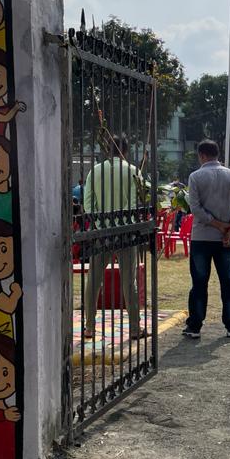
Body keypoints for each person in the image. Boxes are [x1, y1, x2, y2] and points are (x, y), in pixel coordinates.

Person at [81, 135, 143, 340]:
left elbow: (88, 203)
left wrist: (100, 223)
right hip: (126, 231)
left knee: (93, 279)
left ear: (107, 150)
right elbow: (134, 202)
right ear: (125, 151)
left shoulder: (95, 171)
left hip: (102, 231)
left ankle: (89, 326)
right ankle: (134, 327)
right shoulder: (133, 171)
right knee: (129, 281)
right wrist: (124, 222)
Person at [184, 139, 230, 339]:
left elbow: (195, 208)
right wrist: (229, 229)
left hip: (202, 237)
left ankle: (195, 325)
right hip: (225, 239)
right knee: (228, 282)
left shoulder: (195, 176)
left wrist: (217, 224)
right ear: (217, 154)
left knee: (199, 283)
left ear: (201, 155)